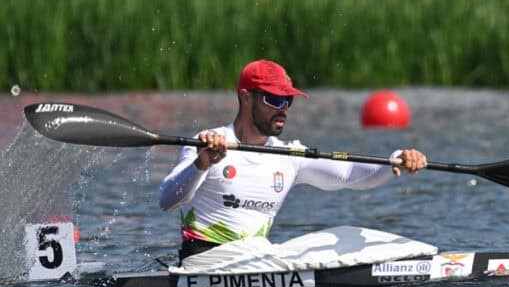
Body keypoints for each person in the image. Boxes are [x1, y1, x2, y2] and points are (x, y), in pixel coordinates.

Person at [159, 59, 427, 261]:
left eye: (288, 100)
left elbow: (350, 175)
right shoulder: (207, 142)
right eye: (274, 99)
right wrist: (202, 164)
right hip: (202, 265)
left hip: (255, 266)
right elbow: (167, 200)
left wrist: (395, 159)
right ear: (245, 96)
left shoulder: (288, 156)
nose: (283, 109)